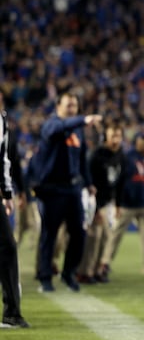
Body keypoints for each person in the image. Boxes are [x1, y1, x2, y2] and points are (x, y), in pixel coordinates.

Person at [33, 92, 102, 292]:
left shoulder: (78, 131)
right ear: (58, 106)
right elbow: (56, 130)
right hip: (52, 189)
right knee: (50, 235)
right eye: (69, 105)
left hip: (73, 188)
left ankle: (68, 273)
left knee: (79, 234)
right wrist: (83, 119)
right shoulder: (52, 124)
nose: (72, 109)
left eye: (75, 106)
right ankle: (45, 277)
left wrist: (88, 183)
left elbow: (81, 160)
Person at [100, 131, 144, 277]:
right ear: (136, 140)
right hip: (127, 203)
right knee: (116, 234)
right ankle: (105, 262)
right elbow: (119, 181)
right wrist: (118, 202)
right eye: (143, 139)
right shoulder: (127, 157)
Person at [77, 122, 124, 284]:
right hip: (94, 202)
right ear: (105, 137)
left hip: (108, 203)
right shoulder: (97, 155)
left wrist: (117, 204)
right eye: (113, 136)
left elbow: (118, 182)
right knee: (93, 238)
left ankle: (97, 270)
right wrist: (93, 209)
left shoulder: (119, 155)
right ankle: (83, 272)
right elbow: (89, 183)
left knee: (105, 238)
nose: (116, 140)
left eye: (118, 136)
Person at [0, 109, 29, 328]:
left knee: (8, 247)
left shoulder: (1, 119)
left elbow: (4, 159)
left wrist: (7, 192)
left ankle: (12, 312)